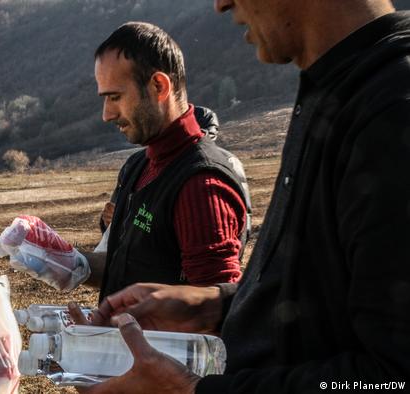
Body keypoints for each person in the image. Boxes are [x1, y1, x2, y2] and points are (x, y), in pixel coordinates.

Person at [76, 1, 410, 393]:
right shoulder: (337, 91)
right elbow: (319, 302)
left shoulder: (391, 110)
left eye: (114, 96)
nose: (220, 5)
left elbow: (390, 380)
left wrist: (188, 390)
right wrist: (212, 306)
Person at [83, 22, 251, 301]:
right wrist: (66, 262)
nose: (107, 114)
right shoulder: (140, 166)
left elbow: (212, 316)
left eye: (115, 97)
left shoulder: (201, 184)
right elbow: (127, 269)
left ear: (159, 86)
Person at [98, 106, 222, 234]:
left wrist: (127, 221)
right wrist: (109, 222)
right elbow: (115, 212)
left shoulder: (211, 171)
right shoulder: (136, 164)